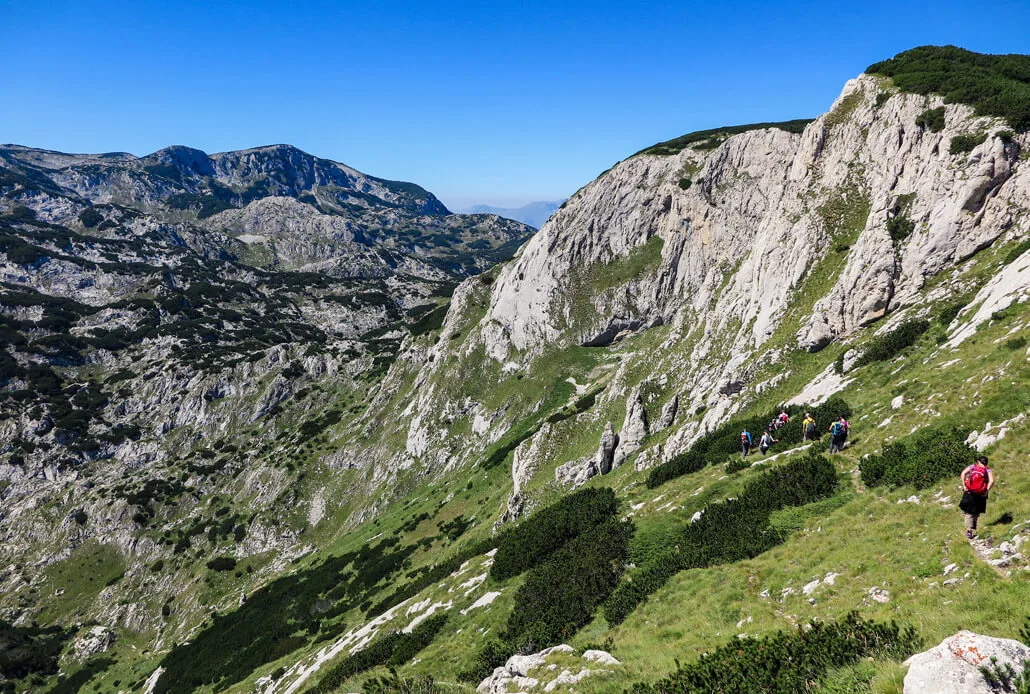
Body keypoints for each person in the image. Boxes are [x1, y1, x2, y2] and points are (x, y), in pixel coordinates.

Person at [959, 455, 995, 539]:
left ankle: (969, 530)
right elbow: (992, 480)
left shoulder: (972, 467)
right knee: (976, 511)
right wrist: (986, 490)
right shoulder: (988, 470)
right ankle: (973, 526)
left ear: (979, 462)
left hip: (970, 492)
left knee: (968, 512)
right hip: (981, 493)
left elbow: (963, 473)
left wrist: (964, 486)